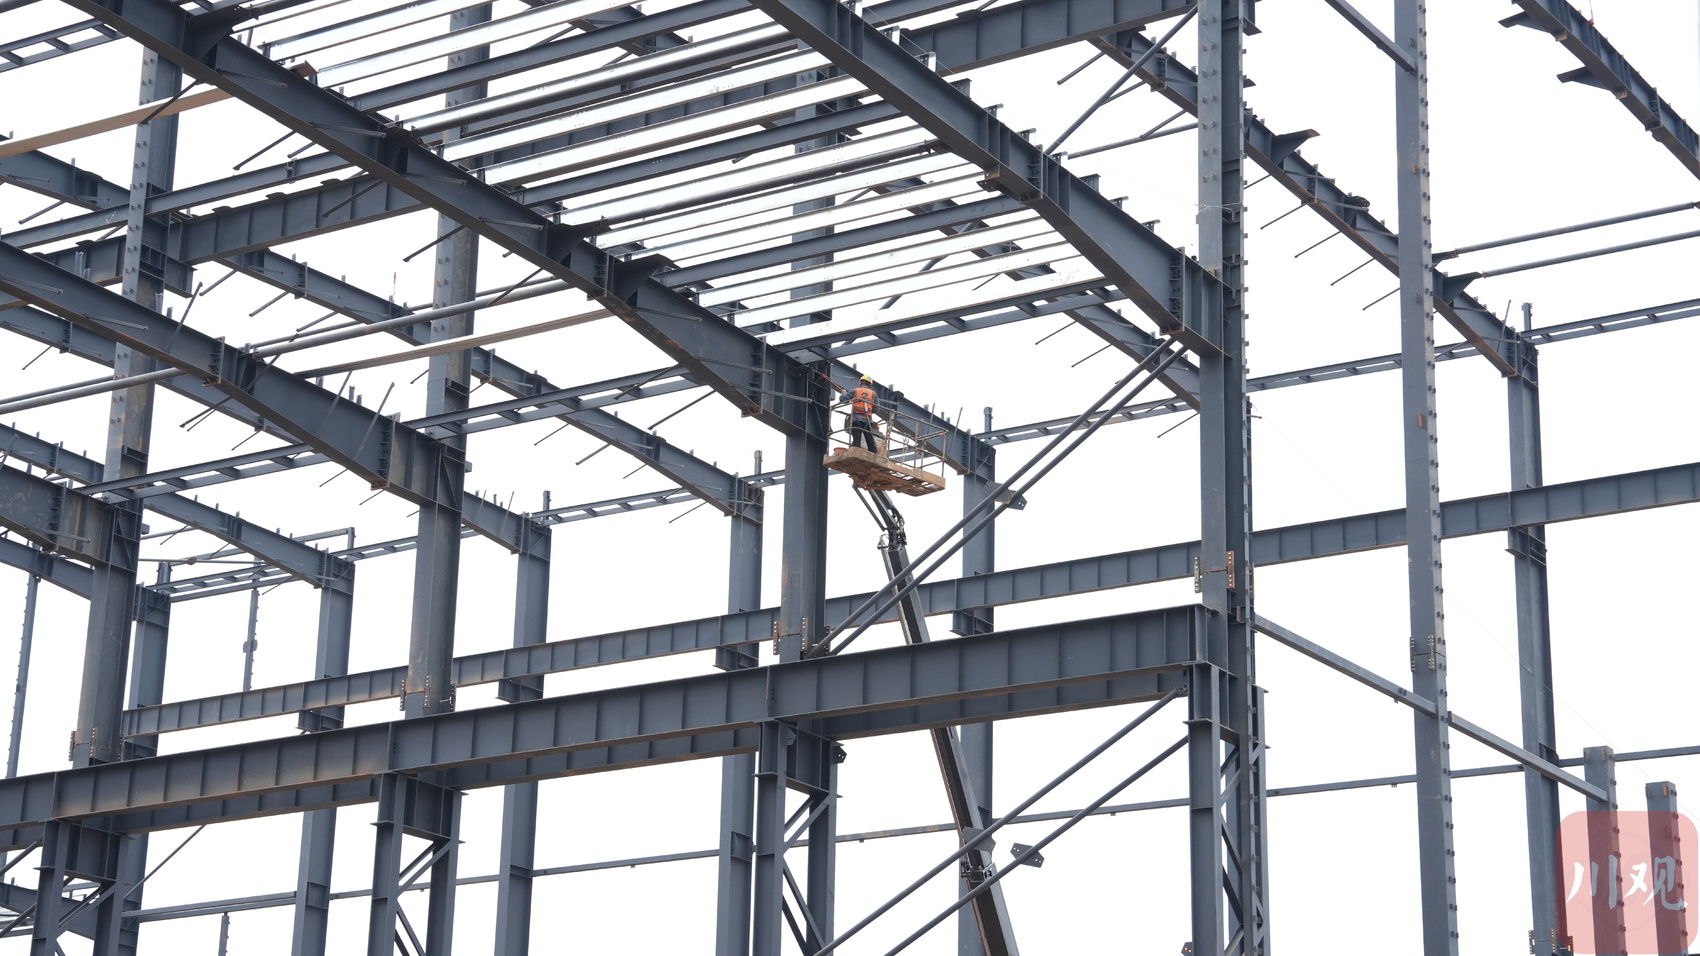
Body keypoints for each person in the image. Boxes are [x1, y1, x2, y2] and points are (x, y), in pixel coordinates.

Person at [844, 374, 880, 453]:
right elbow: (877, 409)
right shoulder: (873, 394)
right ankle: (874, 454)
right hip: (867, 420)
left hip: (856, 419)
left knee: (857, 440)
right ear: (869, 384)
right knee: (870, 441)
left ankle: (855, 453)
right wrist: (869, 411)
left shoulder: (855, 391)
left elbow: (842, 399)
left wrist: (843, 393)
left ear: (861, 382)